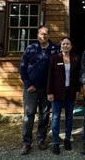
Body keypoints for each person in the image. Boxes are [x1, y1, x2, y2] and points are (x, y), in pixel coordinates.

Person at [20, 25, 60, 155]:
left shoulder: (55, 49)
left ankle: (41, 139)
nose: (43, 36)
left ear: (49, 35)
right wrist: (27, 84)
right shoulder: (31, 48)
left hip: (47, 88)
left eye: (46, 34)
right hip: (31, 88)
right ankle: (26, 143)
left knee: (44, 114)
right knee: (29, 115)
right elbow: (22, 68)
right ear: (38, 35)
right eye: (41, 34)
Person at [47, 37, 81, 155]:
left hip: (70, 91)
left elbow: (77, 77)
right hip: (57, 91)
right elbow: (50, 76)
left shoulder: (75, 58)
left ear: (71, 46)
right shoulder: (54, 58)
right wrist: (50, 92)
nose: (65, 46)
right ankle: (55, 142)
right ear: (60, 46)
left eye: (68, 44)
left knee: (69, 117)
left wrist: (77, 90)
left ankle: (67, 139)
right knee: (56, 117)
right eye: (63, 44)